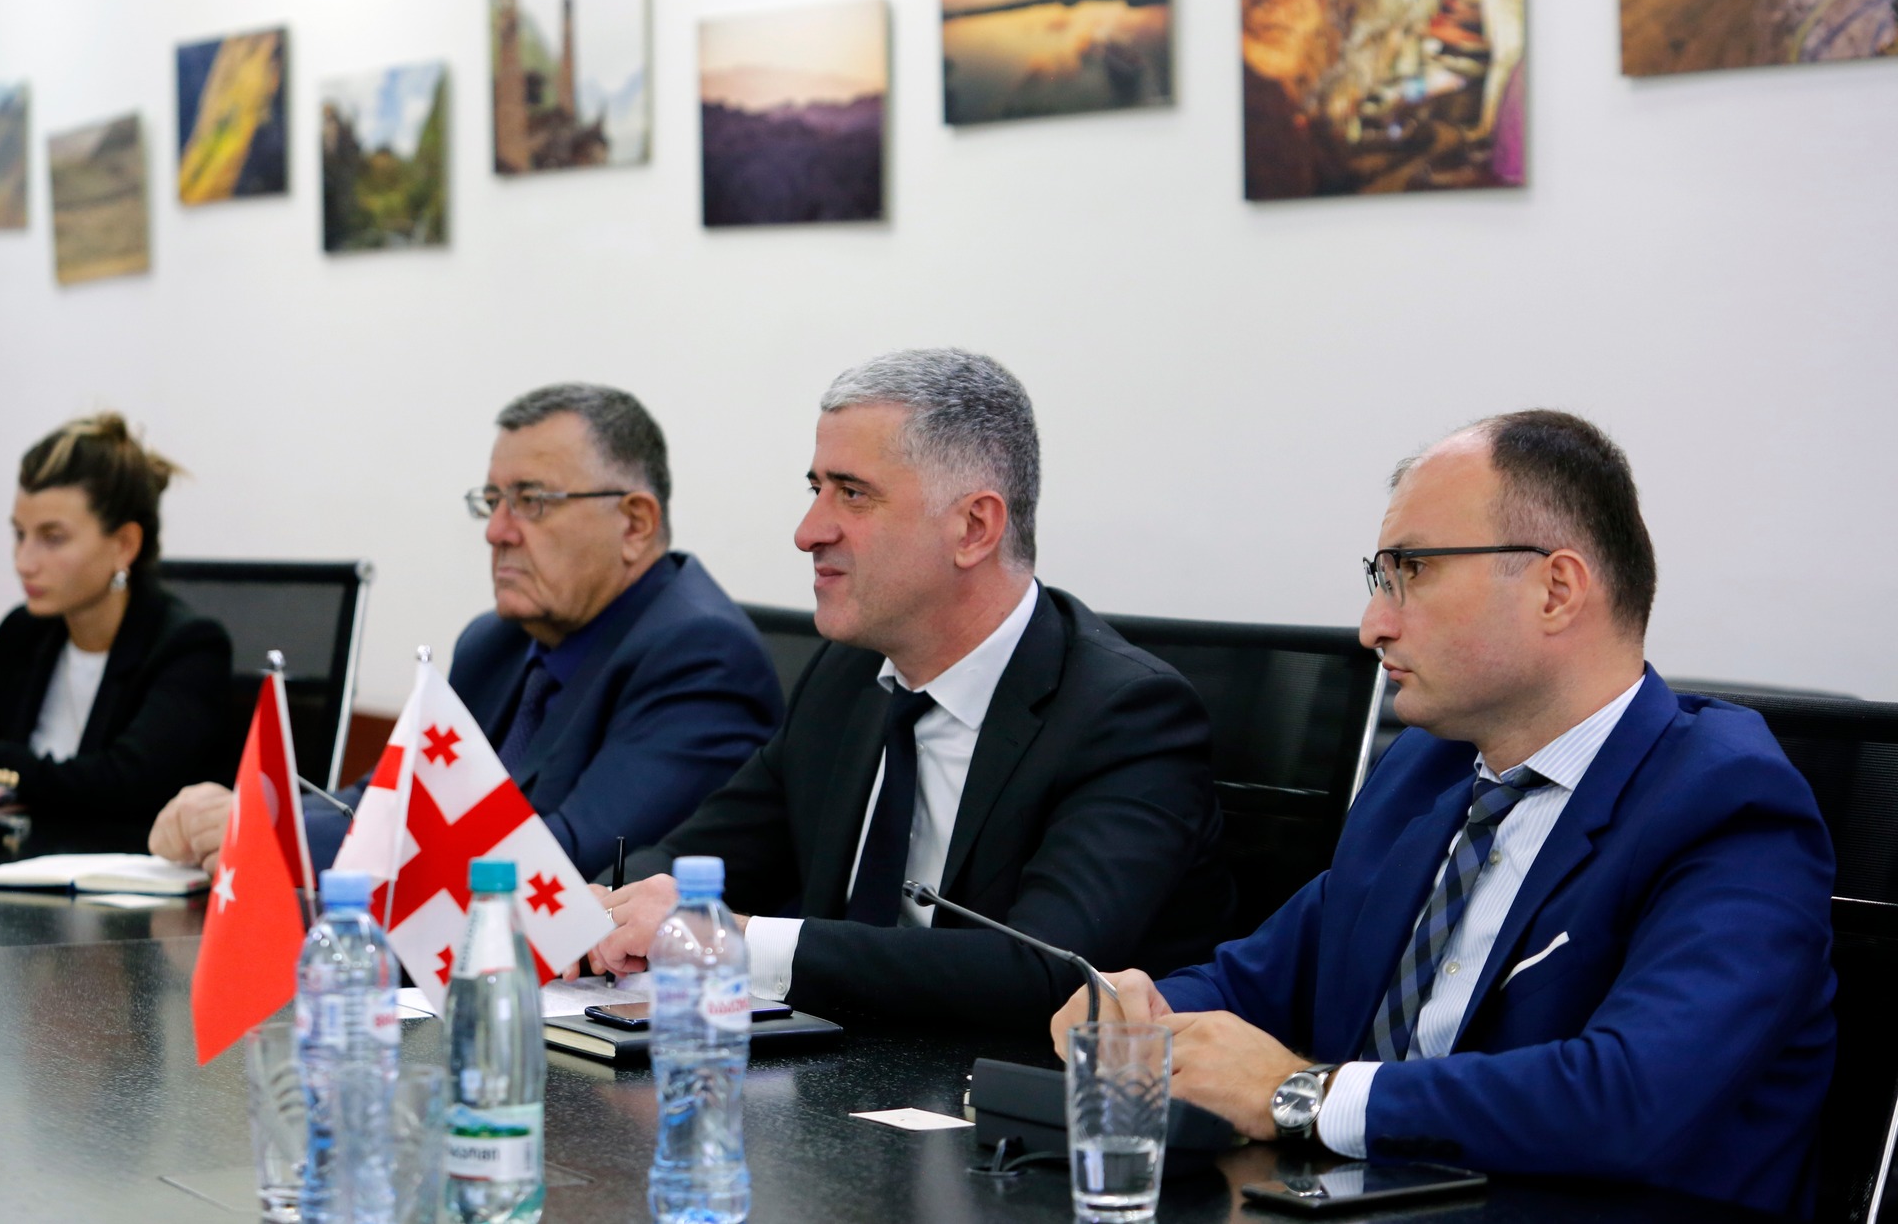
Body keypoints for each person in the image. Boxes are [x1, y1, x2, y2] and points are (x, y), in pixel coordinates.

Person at [1049, 410, 1834, 1218]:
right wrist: (1139, 1013)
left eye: (1414, 571)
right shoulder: (1424, 771)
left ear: (1556, 590)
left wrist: (1302, 1093)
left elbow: (1631, 1097)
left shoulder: (1730, 806)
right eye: (1380, 578)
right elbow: (1261, 979)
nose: (1373, 625)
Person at [588, 349, 1230, 1026]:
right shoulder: (847, 674)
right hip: (837, 1070)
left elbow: (1049, 972)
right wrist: (608, 908)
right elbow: (702, 856)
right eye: (816, 489)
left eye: (853, 493)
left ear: (973, 528)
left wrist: (729, 941)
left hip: (1019, 1085)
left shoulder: (1127, 716)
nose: (808, 532)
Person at [150, 383, 783, 878]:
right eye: (492, 501)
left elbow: (559, 863)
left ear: (636, 524)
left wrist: (277, 835)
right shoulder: (496, 643)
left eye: (532, 501)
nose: (497, 531)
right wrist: (259, 811)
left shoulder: (700, 657)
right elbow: (386, 801)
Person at [0, 413, 235, 841]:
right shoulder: (27, 633)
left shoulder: (189, 648)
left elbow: (126, 783)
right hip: (14, 862)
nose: (24, 562)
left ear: (124, 545)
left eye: (52, 538)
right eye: (20, 534)